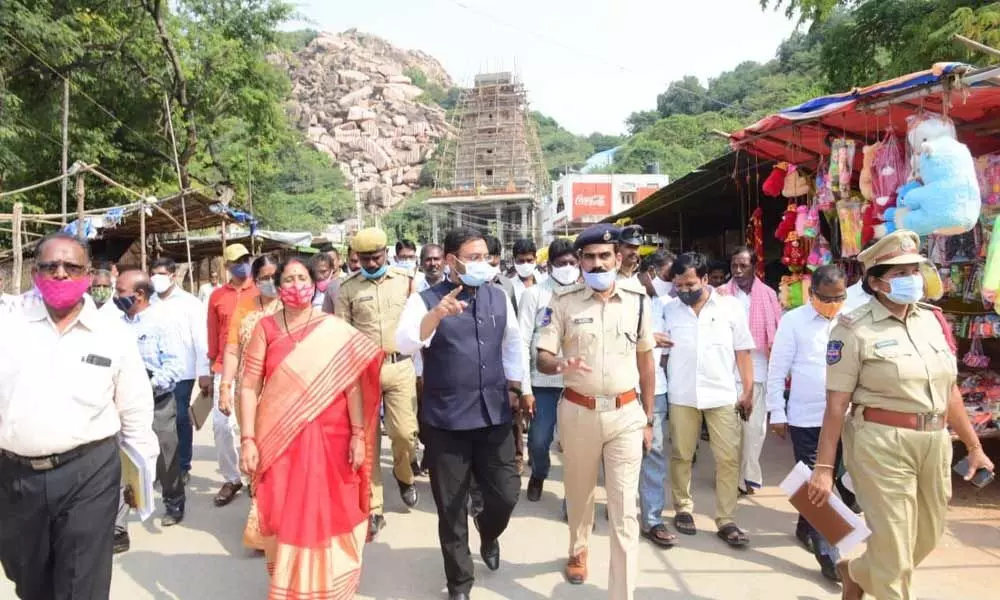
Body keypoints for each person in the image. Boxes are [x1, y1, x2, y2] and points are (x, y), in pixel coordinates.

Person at [809, 230, 995, 599]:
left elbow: (950, 390)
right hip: (879, 444)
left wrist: (974, 447)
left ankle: (858, 570)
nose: (912, 278)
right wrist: (824, 469)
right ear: (876, 282)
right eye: (899, 273)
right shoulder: (853, 329)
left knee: (926, 536)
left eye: (915, 269)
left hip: (934, 443)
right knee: (894, 552)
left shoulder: (932, 321)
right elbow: (836, 405)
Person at [0, 233, 158, 599]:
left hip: (88, 473)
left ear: (89, 274)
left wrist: (141, 474)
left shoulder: (113, 333)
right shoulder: (9, 323)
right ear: (35, 273)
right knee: (29, 579)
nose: (60, 274)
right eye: (49, 266)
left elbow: (134, 408)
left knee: (80, 582)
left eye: (71, 267)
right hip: (14, 476)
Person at [237, 256, 383, 599]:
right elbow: (248, 386)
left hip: (333, 437)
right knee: (287, 509)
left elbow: (352, 386)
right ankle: (291, 586)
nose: (296, 285)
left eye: (302, 277)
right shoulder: (265, 329)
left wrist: (359, 435)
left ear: (314, 281)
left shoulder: (331, 328)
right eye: (288, 279)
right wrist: (247, 439)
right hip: (281, 439)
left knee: (332, 507)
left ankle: (331, 585)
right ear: (277, 285)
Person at [396, 227, 525, 600]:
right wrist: (435, 316)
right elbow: (405, 342)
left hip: (494, 415)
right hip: (447, 420)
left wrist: (519, 388)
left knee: (505, 493)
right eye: (473, 257)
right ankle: (459, 583)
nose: (481, 264)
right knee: (451, 506)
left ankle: (488, 529)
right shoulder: (424, 301)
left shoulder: (499, 296)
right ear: (451, 261)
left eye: (485, 256)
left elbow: (513, 345)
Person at [535, 224, 655, 597]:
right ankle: (578, 548)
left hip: (625, 415)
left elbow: (647, 361)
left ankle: (622, 592)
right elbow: (542, 357)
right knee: (579, 494)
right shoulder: (562, 301)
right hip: (578, 412)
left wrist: (649, 419)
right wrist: (559, 366)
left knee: (624, 510)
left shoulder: (638, 300)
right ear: (581, 261)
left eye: (605, 256)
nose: (597, 263)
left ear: (618, 258)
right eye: (589, 257)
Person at [663, 252, 755, 548]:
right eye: (679, 285)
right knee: (681, 454)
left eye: (690, 284)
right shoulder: (669, 310)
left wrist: (748, 390)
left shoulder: (731, 308)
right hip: (682, 394)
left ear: (705, 279)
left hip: (722, 394)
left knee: (728, 458)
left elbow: (743, 352)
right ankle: (683, 508)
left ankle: (726, 519)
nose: (685, 291)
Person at [765, 264, 850, 582]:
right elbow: (778, 368)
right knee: (817, 483)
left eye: (839, 297)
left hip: (846, 417)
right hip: (807, 417)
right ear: (812, 294)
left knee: (842, 483)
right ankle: (830, 555)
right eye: (826, 298)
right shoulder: (793, 321)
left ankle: (807, 527)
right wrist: (777, 411)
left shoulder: (852, 318)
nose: (833, 304)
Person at [338, 228, 420, 539]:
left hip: (399, 367)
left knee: (404, 433)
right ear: (355, 258)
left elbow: (416, 326)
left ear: (386, 253)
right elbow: (342, 336)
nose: (372, 263)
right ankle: (374, 507)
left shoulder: (406, 282)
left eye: (376, 257)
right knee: (368, 442)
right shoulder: (346, 289)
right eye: (364, 259)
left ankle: (405, 475)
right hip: (363, 372)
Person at [114, 269, 187, 541]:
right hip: (122, 404)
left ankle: (174, 500)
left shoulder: (161, 322)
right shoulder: (116, 325)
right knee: (121, 460)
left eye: (120, 291)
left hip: (157, 399)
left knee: (166, 454)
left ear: (140, 294)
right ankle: (119, 523)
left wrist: (147, 386)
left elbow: (174, 364)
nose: (115, 296)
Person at [219, 255, 282, 551]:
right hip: (250, 394)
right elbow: (232, 350)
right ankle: (262, 521)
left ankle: (283, 518)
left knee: (281, 457)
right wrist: (225, 386)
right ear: (254, 281)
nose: (269, 282)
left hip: (284, 395)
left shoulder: (290, 306)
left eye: (274, 276)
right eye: (263, 277)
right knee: (255, 454)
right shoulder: (244, 308)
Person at [519, 238, 580, 502]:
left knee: (576, 445)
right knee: (539, 440)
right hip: (542, 381)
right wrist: (524, 388)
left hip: (577, 381)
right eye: (560, 263)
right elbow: (521, 341)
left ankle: (573, 497)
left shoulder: (585, 293)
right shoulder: (535, 295)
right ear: (550, 265)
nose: (567, 267)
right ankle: (539, 473)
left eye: (571, 263)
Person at [719, 246, 781, 495]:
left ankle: (749, 475)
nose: (738, 270)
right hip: (729, 370)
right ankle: (731, 476)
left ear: (754, 266)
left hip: (759, 369)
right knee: (731, 430)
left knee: (755, 429)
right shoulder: (721, 294)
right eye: (734, 265)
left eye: (743, 265)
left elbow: (777, 332)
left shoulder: (767, 294)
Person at [150, 258, 212, 484]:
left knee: (180, 419)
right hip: (155, 372)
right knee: (157, 422)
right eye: (154, 273)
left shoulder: (190, 303)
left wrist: (204, 371)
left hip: (183, 372)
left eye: (162, 273)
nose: (157, 278)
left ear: (173, 276)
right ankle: (163, 466)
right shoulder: (149, 302)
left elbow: (201, 338)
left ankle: (183, 465)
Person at [207, 243, 257, 507]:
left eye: (246, 259)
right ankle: (232, 477)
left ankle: (255, 477)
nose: (242, 264)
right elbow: (213, 333)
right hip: (222, 368)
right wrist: (209, 371)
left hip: (254, 367)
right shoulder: (217, 296)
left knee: (253, 425)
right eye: (237, 261)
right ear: (227, 266)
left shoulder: (261, 291)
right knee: (222, 426)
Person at [639, 290, 678, 550]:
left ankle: (652, 519)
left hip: (656, 389)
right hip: (614, 390)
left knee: (653, 451)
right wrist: (646, 339)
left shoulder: (663, 306)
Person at [414, 243, 445, 473]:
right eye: (428, 260)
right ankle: (429, 452)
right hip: (417, 364)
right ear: (421, 263)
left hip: (445, 362)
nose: (433, 264)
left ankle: (436, 456)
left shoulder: (454, 288)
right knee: (422, 415)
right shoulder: (413, 290)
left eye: (436, 259)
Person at [507, 238, 544, 307]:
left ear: (535, 259)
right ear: (513, 260)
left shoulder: (544, 281)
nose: (525, 264)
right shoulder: (508, 288)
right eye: (521, 261)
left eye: (529, 260)